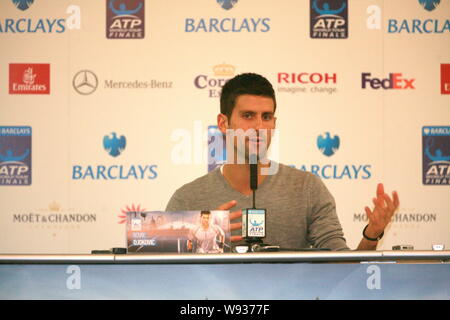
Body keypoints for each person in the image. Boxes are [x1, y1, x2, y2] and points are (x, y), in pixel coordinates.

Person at [166, 73, 399, 251]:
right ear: (224, 123)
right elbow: (162, 279)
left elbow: (341, 267)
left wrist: (371, 235)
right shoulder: (187, 199)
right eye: (248, 116)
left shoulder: (307, 188)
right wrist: (204, 238)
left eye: (266, 117)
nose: (259, 127)